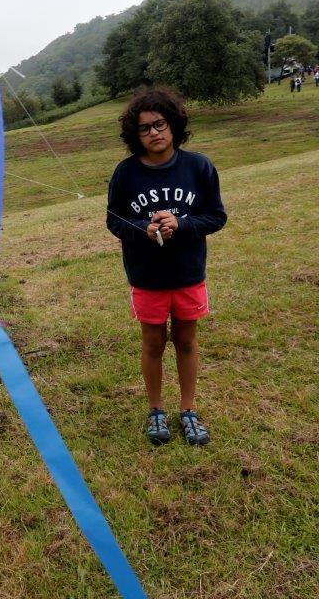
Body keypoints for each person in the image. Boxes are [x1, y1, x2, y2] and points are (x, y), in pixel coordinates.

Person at [106, 86, 227, 446]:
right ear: (135, 135)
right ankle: (156, 409)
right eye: (144, 128)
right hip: (147, 277)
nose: (154, 133)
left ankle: (188, 410)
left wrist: (182, 223)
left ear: (173, 125)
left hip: (187, 273)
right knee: (153, 343)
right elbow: (114, 220)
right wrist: (142, 229)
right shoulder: (126, 173)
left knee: (186, 341)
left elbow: (216, 216)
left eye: (159, 124)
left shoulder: (198, 166)